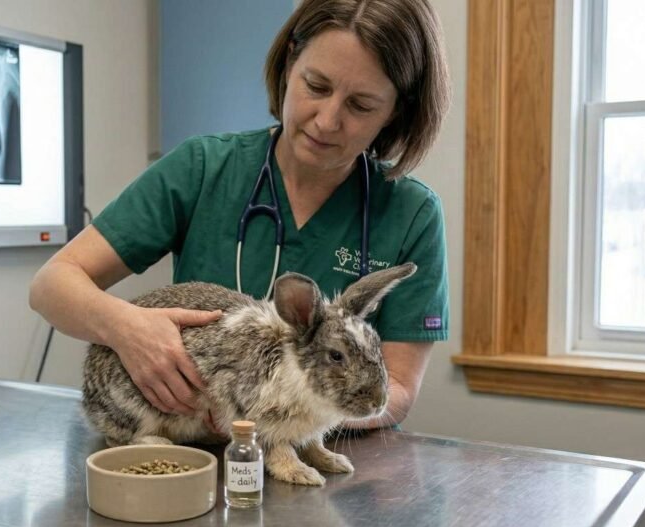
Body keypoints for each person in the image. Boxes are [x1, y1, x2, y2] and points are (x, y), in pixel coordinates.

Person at [29, 0, 450, 431]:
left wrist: (273, 413)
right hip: (190, 457)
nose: (326, 121)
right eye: (317, 86)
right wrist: (127, 328)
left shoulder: (411, 213)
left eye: (361, 105)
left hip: (317, 463)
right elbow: (51, 286)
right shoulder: (204, 168)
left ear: (396, 110)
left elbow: (394, 391)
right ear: (289, 62)